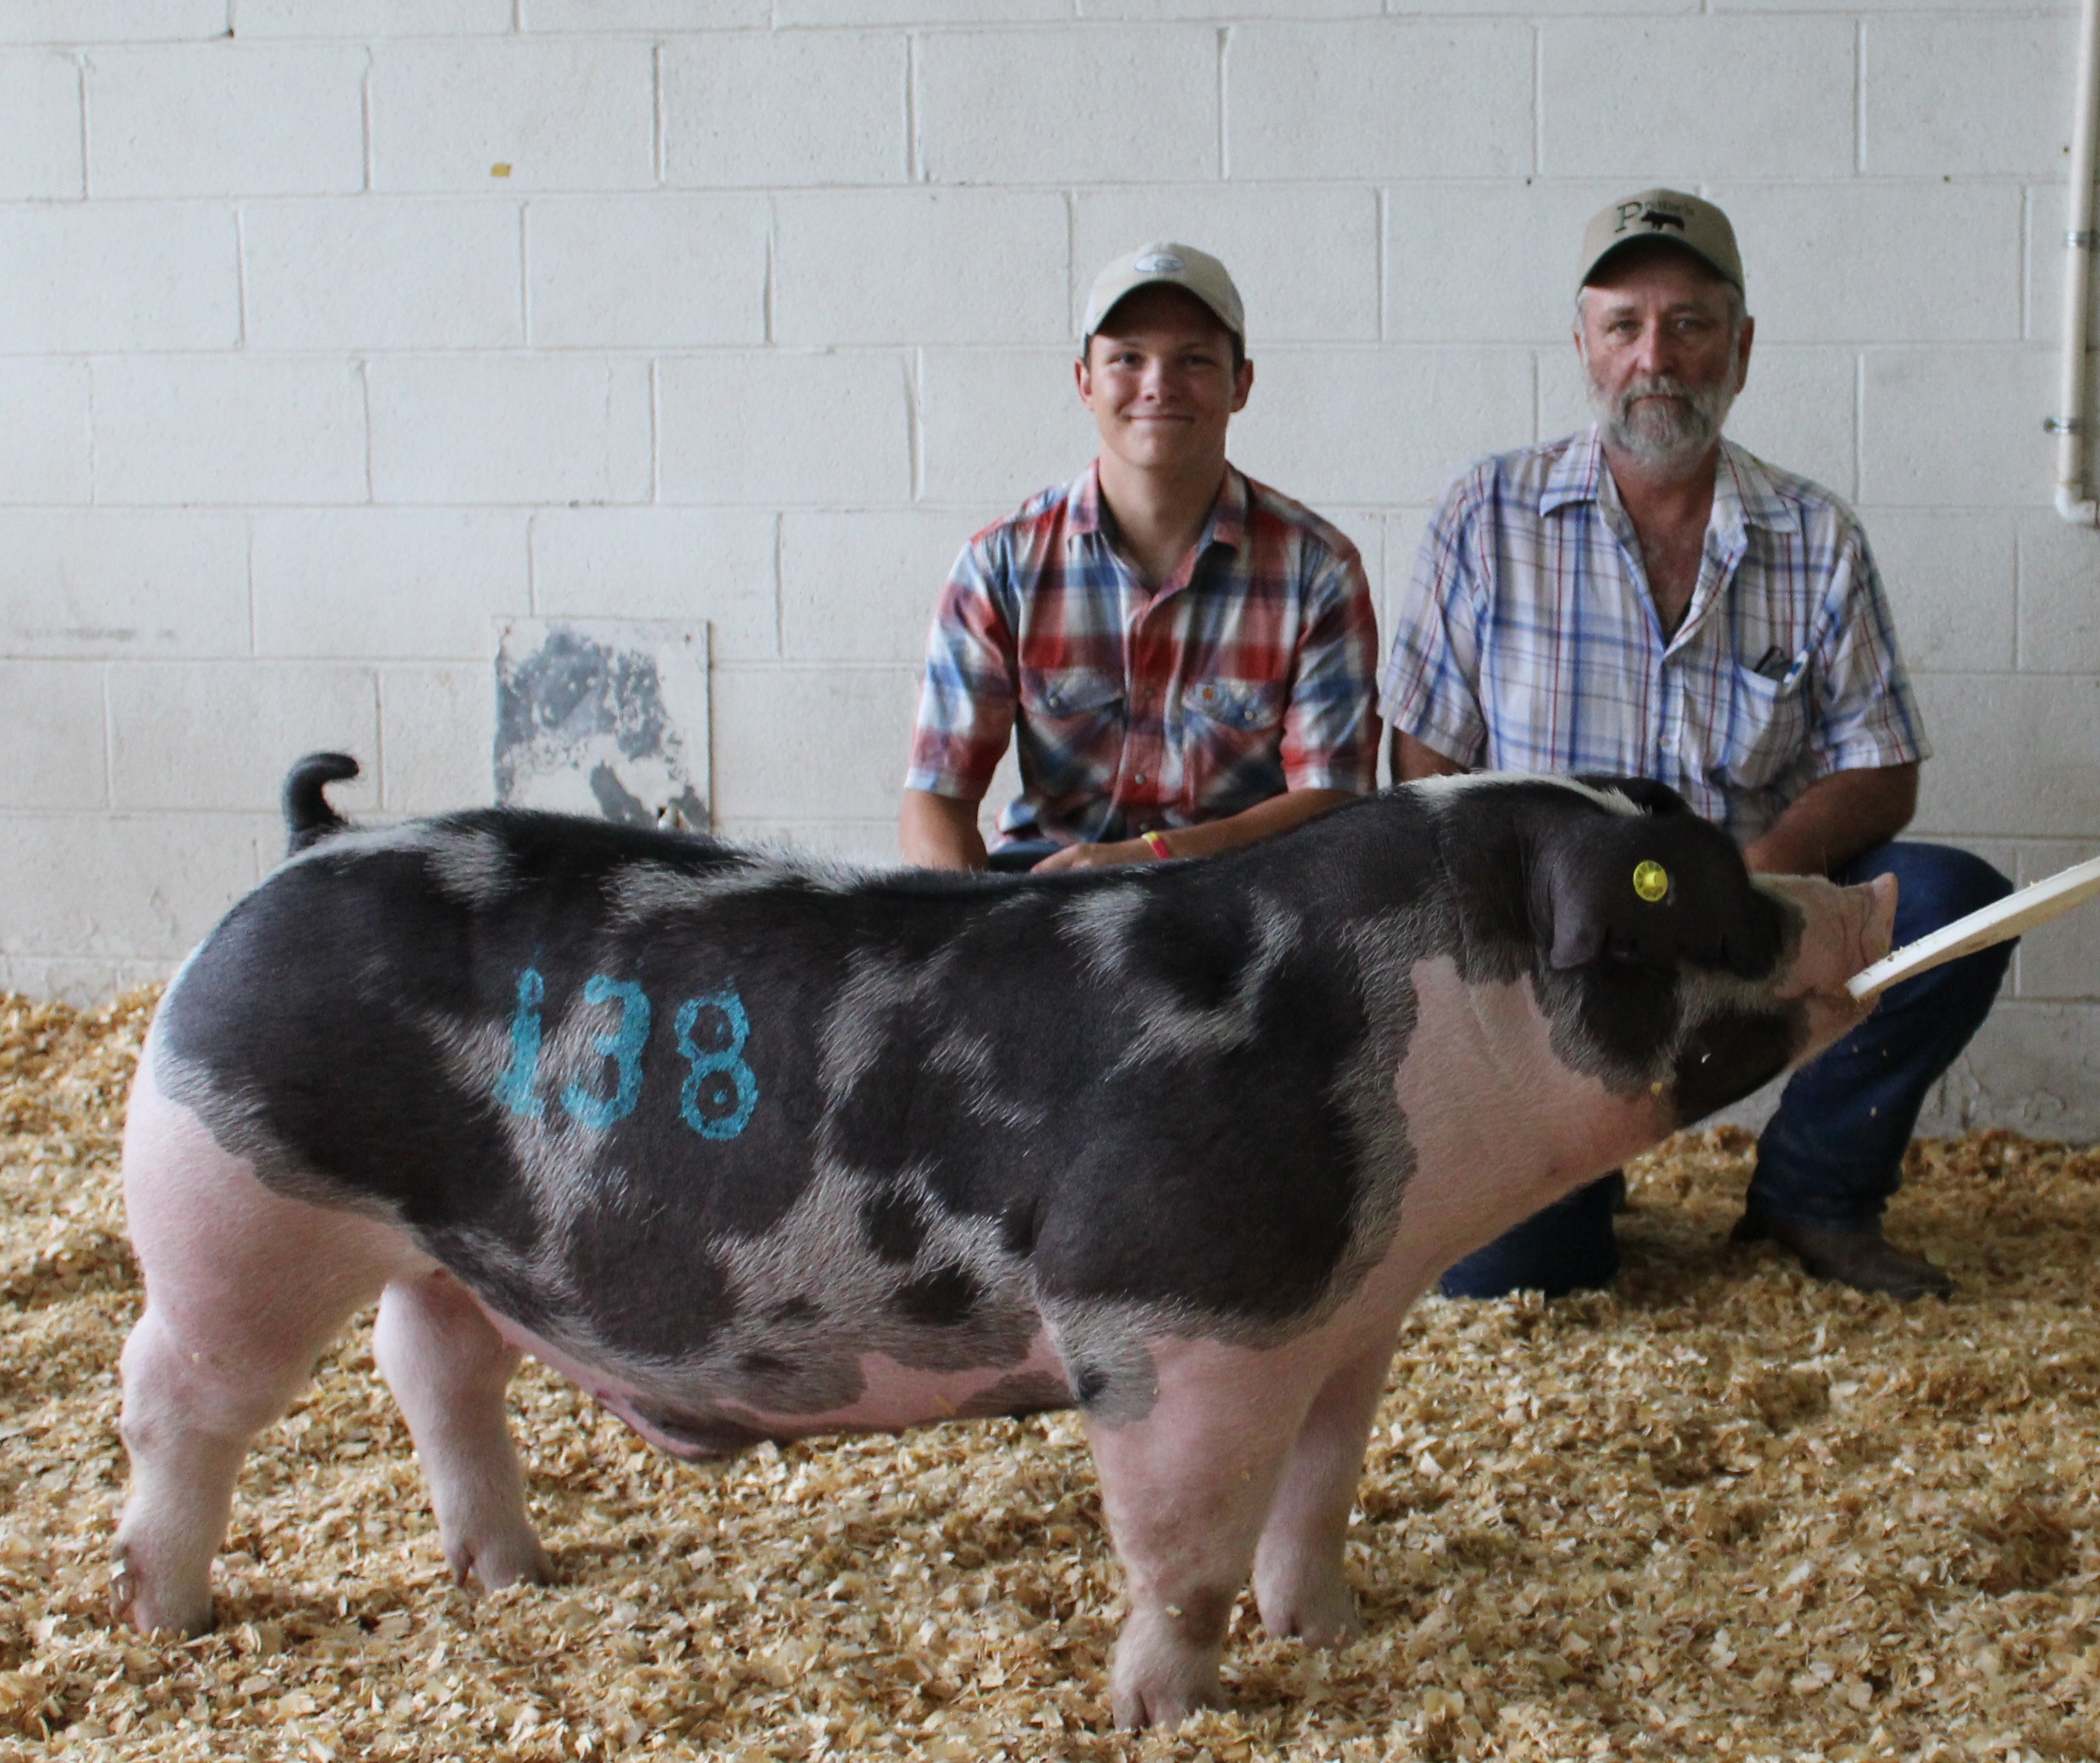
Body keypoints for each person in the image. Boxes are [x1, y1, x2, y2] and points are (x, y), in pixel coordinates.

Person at [1380, 189, 2012, 1302]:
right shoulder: (1487, 513)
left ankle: (1815, 1192)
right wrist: (1510, 929)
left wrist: (1737, 883)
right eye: (1623, 325)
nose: (1655, 357)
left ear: (1744, 346)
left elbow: (1882, 765)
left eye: (1690, 324)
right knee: (1519, 1280)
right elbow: (1421, 764)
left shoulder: (1813, 536)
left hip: (1744, 916)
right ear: (1583, 346)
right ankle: (1579, 1167)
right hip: (1554, 952)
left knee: (1956, 902)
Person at [900, 243, 1380, 875]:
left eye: (1194, 360)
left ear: (1241, 384)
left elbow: (1334, 802)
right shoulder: (1000, 566)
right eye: (1127, 358)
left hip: (1238, 909)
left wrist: (1151, 858)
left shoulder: (1316, 571)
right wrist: (968, 937)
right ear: (1084, 382)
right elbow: (936, 797)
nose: (1157, 385)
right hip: (1044, 902)